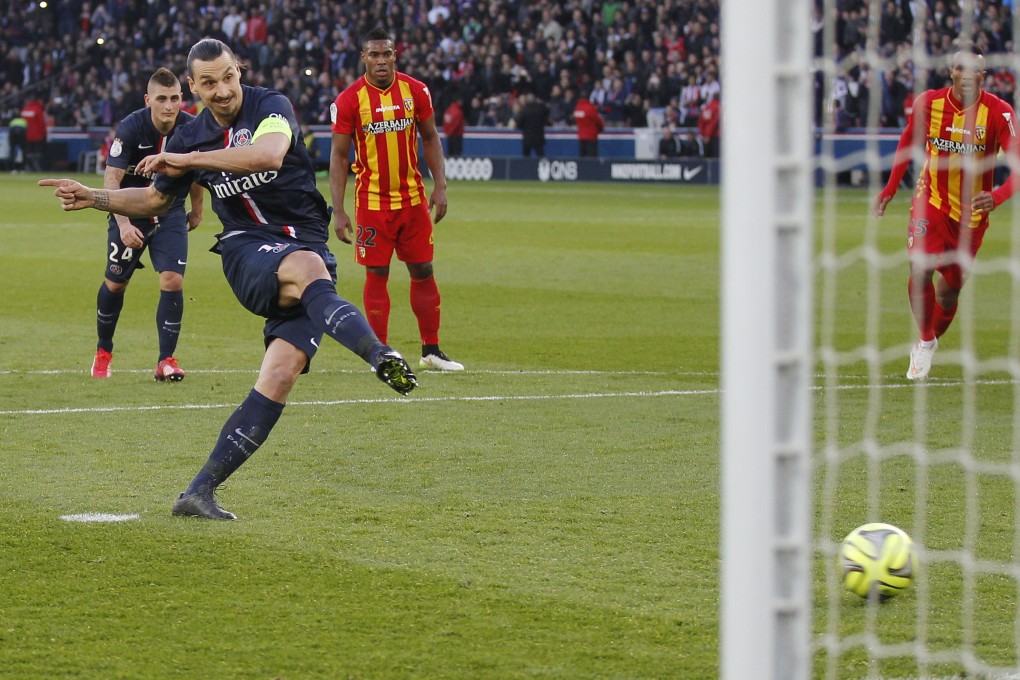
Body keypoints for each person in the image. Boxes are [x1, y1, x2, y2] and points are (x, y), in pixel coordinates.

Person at [39, 38, 418, 521]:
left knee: (279, 376)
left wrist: (191, 162)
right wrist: (95, 197)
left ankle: (197, 493)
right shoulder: (188, 136)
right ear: (194, 86)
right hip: (247, 250)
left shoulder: (270, 107)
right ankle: (379, 354)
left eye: (228, 77)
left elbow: (269, 156)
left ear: (240, 71)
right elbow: (155, 203)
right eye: (209, 83)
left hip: (306, 246)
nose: (222, 91)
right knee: (307, 269)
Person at [871, 47, 1020, 380]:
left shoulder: (999, 113)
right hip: (932, 200)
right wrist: (890, 188)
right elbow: (907, 140)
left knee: (950, 289)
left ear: (984, 76)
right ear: (950, 71)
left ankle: (931, 339)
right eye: (960, 69)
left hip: (971, 216)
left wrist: (997, 196)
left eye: (974, 71)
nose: (966, 76)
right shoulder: (930, 104)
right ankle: (924, 343)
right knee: (920, 266)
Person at [329, 26, 464, 372]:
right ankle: (380, 355)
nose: (381, 61)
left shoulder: (415, 90)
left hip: (413, 200)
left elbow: (431, 138)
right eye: (374, 55)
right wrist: (340, 211)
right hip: (373, 203)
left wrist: (441, 186)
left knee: (423, 269)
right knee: (377, 273)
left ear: (394, 55)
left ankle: (431, 350)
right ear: (363, 58)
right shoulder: (349, 100)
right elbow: (340, 157)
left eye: (387, 54)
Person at [90, 67, 205, 381]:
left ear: (182, 98)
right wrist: (124, 225)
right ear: (148, 100)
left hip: (170, 214)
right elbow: (111, 181)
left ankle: (166, 360)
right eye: (162, 99)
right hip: (130, 212)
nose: (169, 106)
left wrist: (197, 208)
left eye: (175, 98)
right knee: (116, 283)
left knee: (173, 280)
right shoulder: (130, 127)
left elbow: (196, 169)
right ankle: (104, 351)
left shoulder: (191, 127)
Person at [515, 91, 549, 158]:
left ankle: (525, 168)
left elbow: (519, 124)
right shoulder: (540, 108)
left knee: (526, 157)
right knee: (540, 156)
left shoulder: (524, 110)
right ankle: (543, 167)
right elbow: (547, 113)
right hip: (539, 137)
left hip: (527, 137)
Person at [573, 89, 604, 158]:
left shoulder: (577, 108)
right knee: (592, 158)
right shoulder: (590, 108)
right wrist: (600, 128)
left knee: (582, 157)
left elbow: (576, 119)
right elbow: (597, 120)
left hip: (581, 136)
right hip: (591, 136)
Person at [698, 92, 720, 158]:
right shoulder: (718, 107)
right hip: (716, 136)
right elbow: (714, 123)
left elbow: (701, 122)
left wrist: (703, 134)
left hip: (706, 136)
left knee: (707, 158)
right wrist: (708, 135)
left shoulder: (707, 107)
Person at [442, 93, 465, 157]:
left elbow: (445, 122)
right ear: (458, 101)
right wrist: (450, 133)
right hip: (456, 137)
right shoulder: (458, 111)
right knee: (456, 155)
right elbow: (456, 125)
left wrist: (446, 132)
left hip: (449, 137)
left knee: (450, 154)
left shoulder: (448, 111)